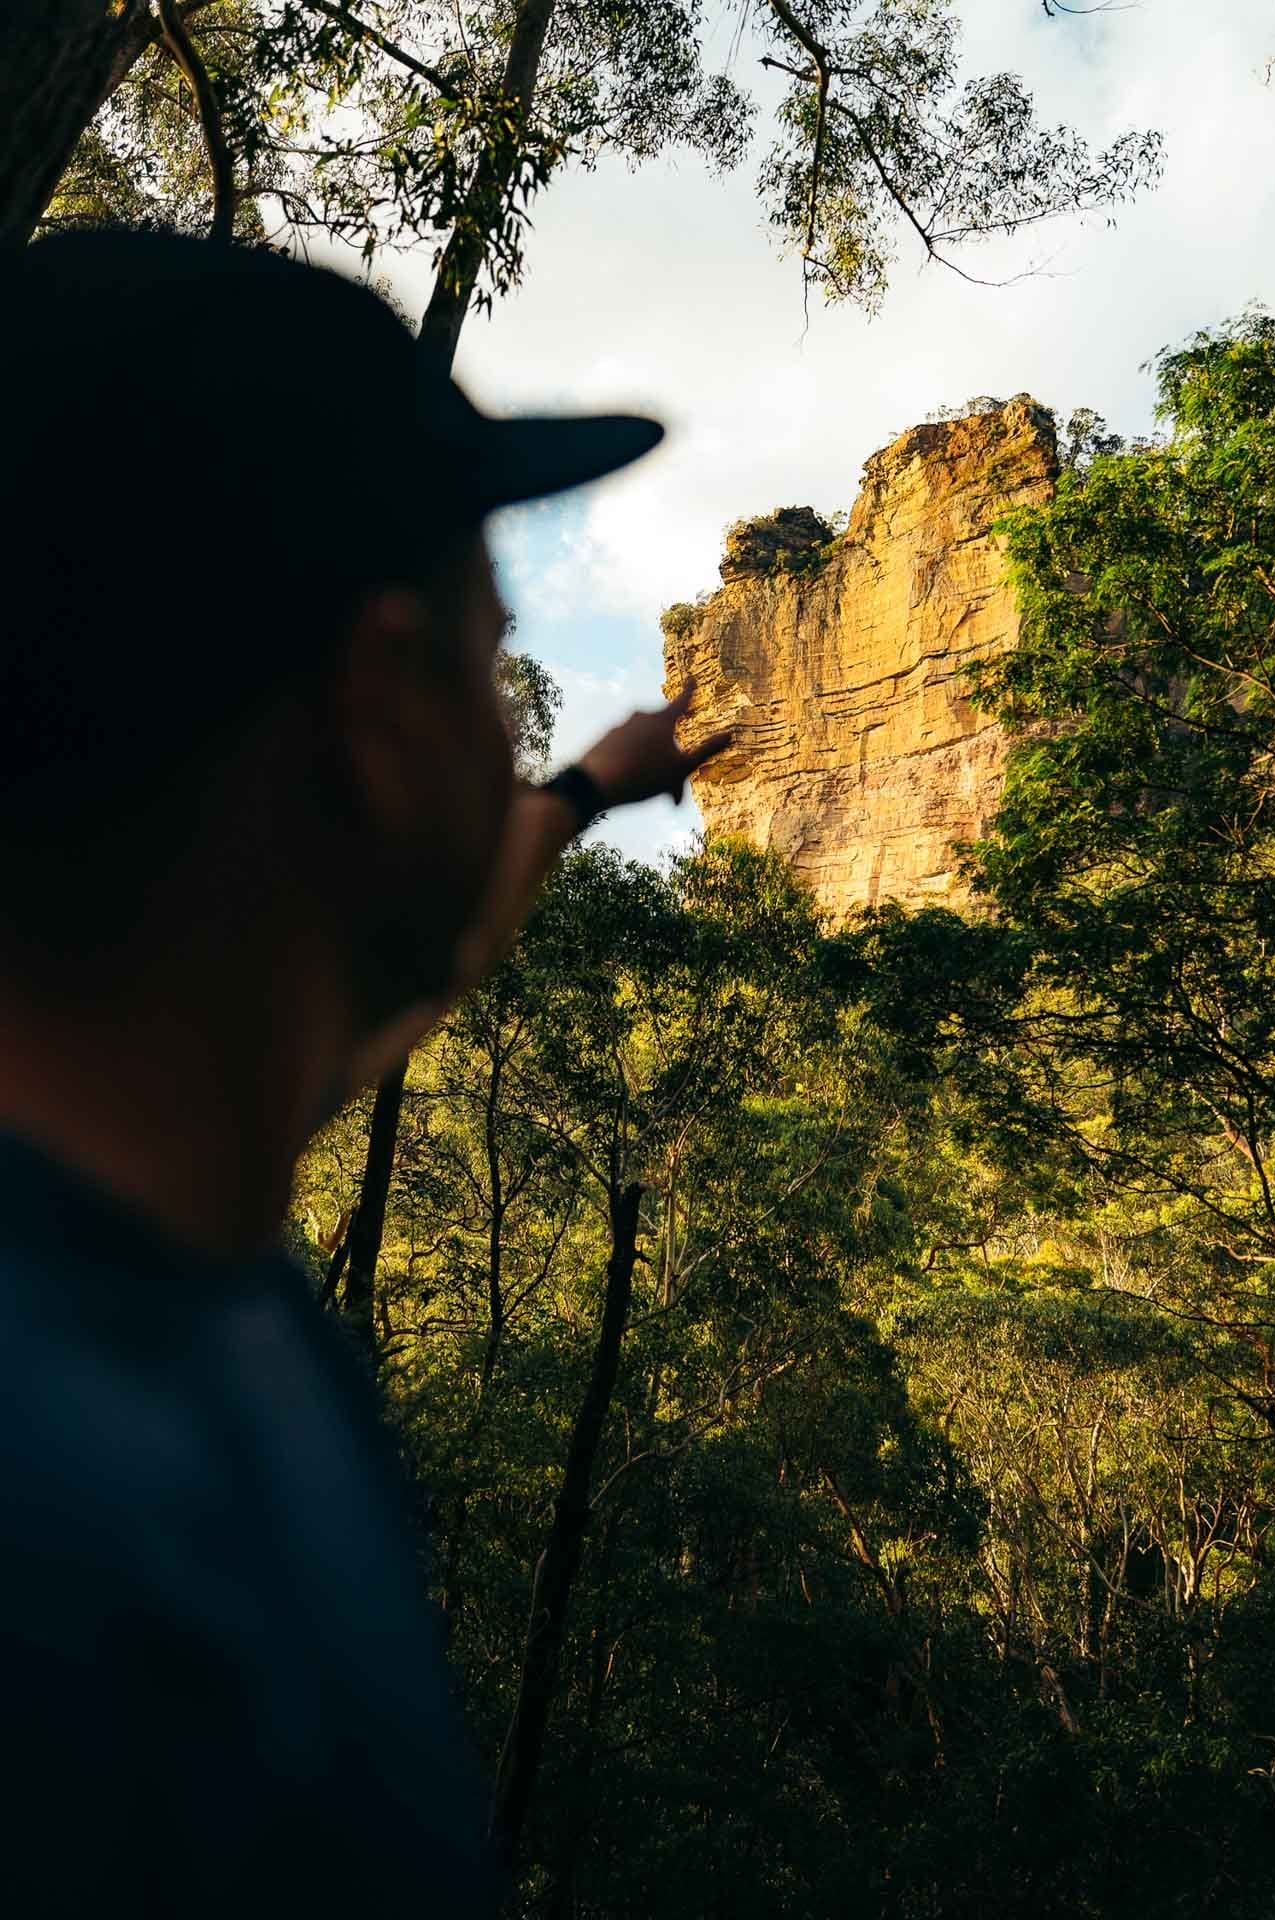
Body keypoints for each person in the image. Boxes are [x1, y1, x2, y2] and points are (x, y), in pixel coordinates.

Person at [0, 229, 729, 1913]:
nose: (502, 711)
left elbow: (410, 973)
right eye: (483, 655)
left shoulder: (166, 1176)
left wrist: (581, 797)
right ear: (384, 702)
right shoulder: (70, 1513)